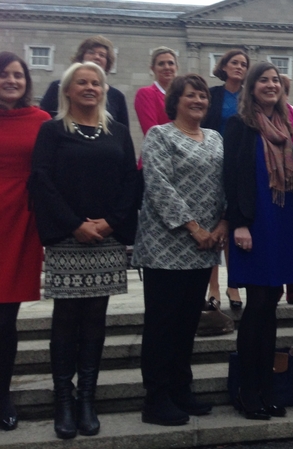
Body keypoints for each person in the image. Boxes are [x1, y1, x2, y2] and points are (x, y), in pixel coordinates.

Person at [29, 61, 139, 438]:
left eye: (96, 82)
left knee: (96, 317)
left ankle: (87, 399)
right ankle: (63, 399)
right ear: (68, 90)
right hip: (67, 238)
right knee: (65, 317)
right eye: (82, 82)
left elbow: (130, 181)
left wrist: (110, 222)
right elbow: (41, 180)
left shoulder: (119, 133)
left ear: (104, 89)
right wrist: (74, 224)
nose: (90, 87)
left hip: (106, 238)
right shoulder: (52, 131)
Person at [132, 74, 226, 426]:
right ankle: (155, 398)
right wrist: (194, 227)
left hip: (204, 246)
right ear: (176, 100)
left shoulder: (216, 138)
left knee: (187, 324)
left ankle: (180, 390)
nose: (198, 100)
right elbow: (158, 185)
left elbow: (224, 183)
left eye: (202, 95)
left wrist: (221, 225)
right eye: (191, 95)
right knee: (162, 324)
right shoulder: (160, 135)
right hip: (166, 245)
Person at [223, 62, 293, 419]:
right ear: (251, 87)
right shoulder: (240, 125)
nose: (271, 85)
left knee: (272, 305)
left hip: (280, 223)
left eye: (275, 81)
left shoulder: (284, 127)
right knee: (256, 305)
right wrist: (239, 224)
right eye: (263, 80)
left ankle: (267, 388)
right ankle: (247, 390)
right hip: (253, 225)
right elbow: (233, 176)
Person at [0, 52, 50, 432]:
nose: (10, 80)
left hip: (19, 221)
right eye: (3, 75)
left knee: (5, 319)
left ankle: (2, 395)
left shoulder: (42, 121)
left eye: (17, 75)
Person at [202, 49, 250, 310]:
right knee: (212, 223)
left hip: (238, 165)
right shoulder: (213, 94)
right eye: (235, 62)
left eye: (244, 64)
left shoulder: (249, 97)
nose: (239, 67)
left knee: (232, 223)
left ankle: (233, 284)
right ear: (224, 66)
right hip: (212, 162)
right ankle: (213, 286)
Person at [39, 35, 129, 128]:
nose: (96, 57)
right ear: (81, 57)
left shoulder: (117, 96)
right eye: (91, 52)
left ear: (107, 62)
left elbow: (124, 133)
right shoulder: (57, 87)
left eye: (102, 55)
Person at [134, 46, 178, 137]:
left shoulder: (182, 96)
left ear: (176, 67)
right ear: (153, 69)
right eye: (161, 64)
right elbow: (151, 132)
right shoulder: (146, 94)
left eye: (171, 63)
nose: (167, 67)